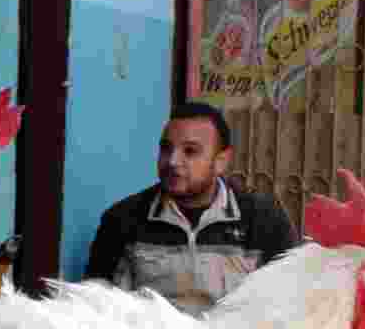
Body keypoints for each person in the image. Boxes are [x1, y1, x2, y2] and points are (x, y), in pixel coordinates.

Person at [84, 102, 299, 316]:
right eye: (166, 148)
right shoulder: (123, 219)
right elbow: (93, 307)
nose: (172, 161)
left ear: (221, 161)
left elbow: (288, 305)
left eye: (190, 151)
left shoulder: (264, 220)